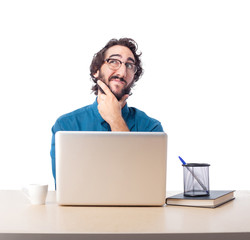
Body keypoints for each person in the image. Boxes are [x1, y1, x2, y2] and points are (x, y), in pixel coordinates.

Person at [50, 38, 164, 183]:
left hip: (134, 207)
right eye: (114, 61)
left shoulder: (151, 129)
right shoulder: (66, 126)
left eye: (129, 65)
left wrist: (116, 120)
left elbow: (145, 184)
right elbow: (65, 186)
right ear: (96, 71)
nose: (122, 72)